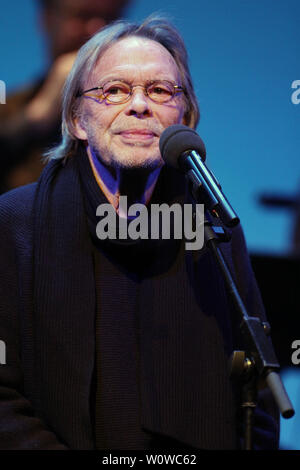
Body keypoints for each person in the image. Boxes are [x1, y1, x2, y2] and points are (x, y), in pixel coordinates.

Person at [0, 16, 279, 450]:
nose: (138, 106)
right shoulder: (16, 222)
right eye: (114, 90)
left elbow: (257, 396)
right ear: (76, 118)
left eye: (160, 91)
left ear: (185, 116)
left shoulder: (215, 228)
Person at [0, 0, 130, 194]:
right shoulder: (9, 108)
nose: (98, 30)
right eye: (81, 16)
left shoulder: (141, 110)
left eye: (110, 19)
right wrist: (36, 118)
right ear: (46, 19)